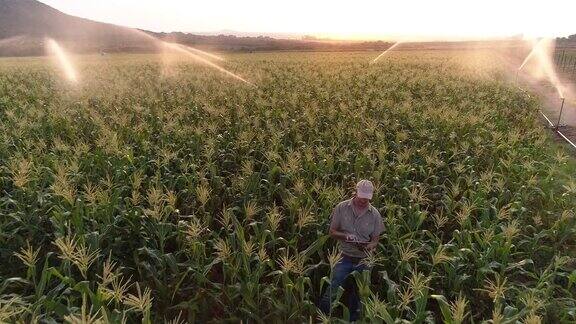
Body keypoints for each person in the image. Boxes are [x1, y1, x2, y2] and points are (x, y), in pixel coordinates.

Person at [319, 179, 384, 321]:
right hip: (344, 256)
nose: (364, 201)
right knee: (333, 287)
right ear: (356, 192)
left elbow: (375, 240)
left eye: (367, 198)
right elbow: (332, 232)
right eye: (362, 197)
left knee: (359, 293)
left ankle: (353, 319)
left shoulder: (375, 214)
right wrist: (346, 236)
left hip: (364, 259)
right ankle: (322, 317)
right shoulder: (341, 208)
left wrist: (370, 246)